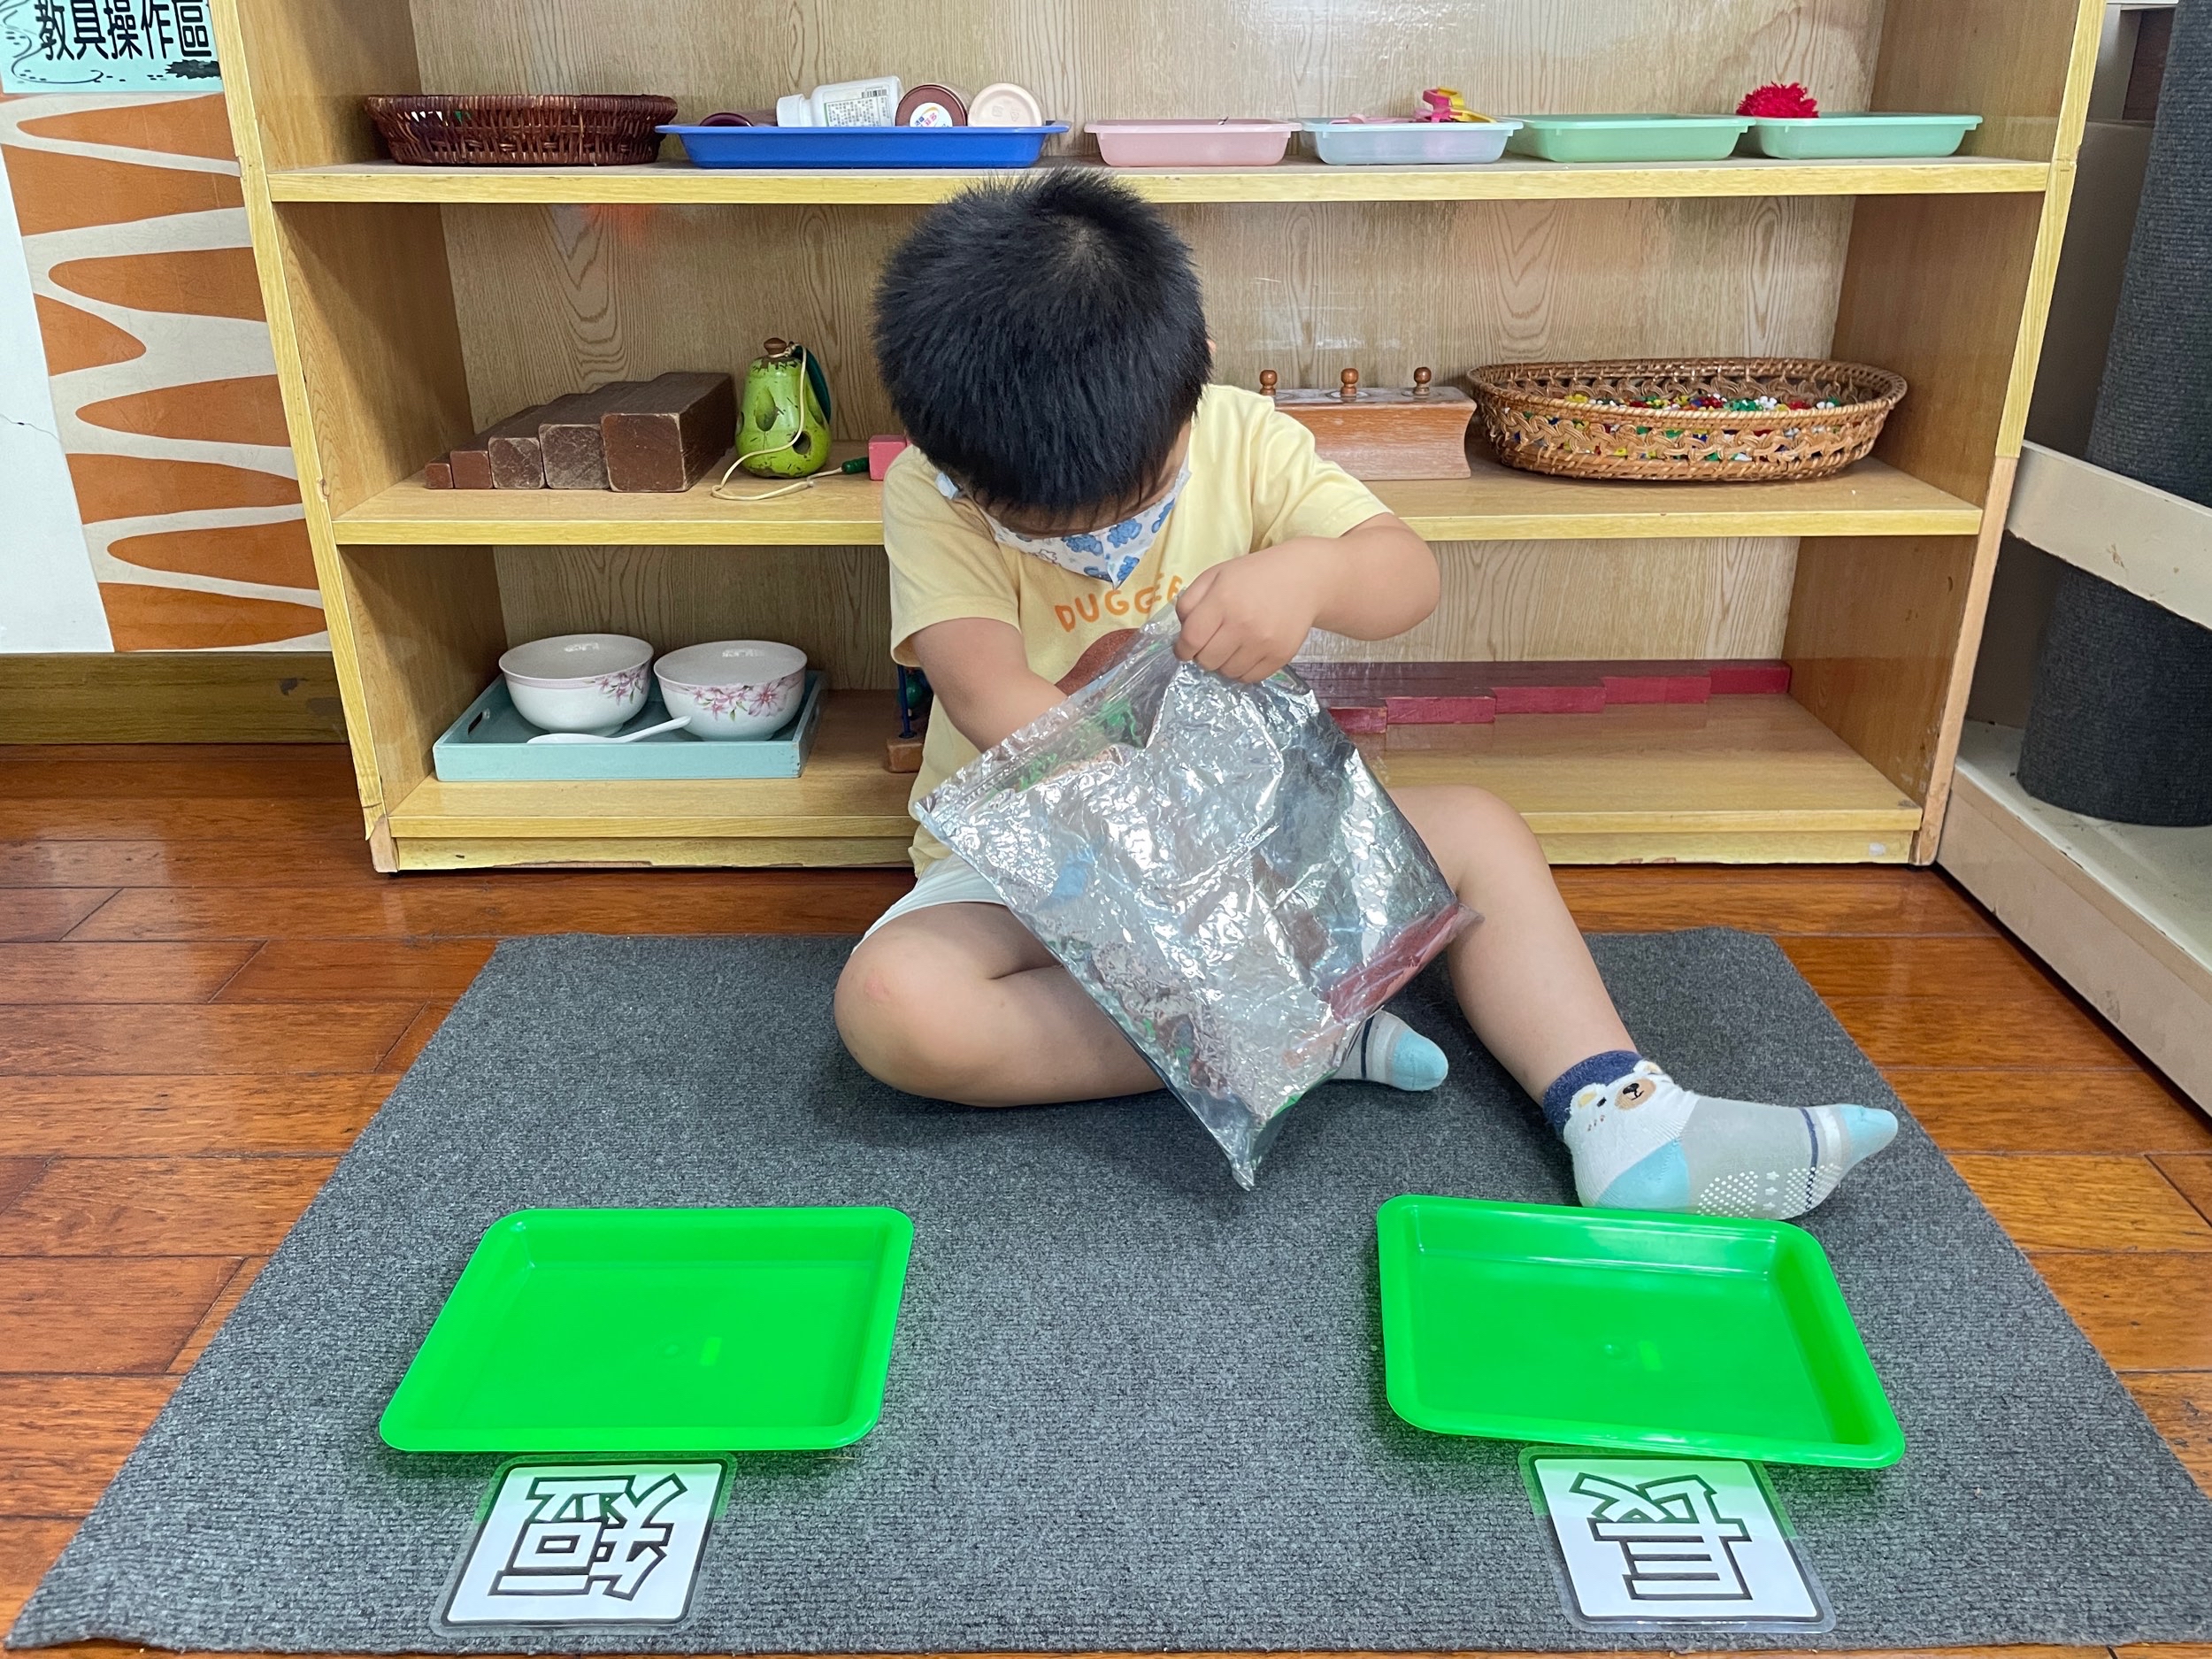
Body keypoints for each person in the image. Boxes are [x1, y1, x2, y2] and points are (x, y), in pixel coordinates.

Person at [834, 172, 1895, 1217]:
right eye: (1041, 529)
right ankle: (1295, 1025)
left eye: (1133, 507)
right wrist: (1149, 816)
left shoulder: (1246, 438)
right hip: (1041, 870)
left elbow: (1406, 577)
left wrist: (1312, 574)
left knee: (1480, 830)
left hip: (1253, 844)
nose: (1098, 546)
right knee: (894, 1007)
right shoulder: (930, 493)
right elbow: (985, 694)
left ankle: (1619, 1110)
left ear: (1196, 376)